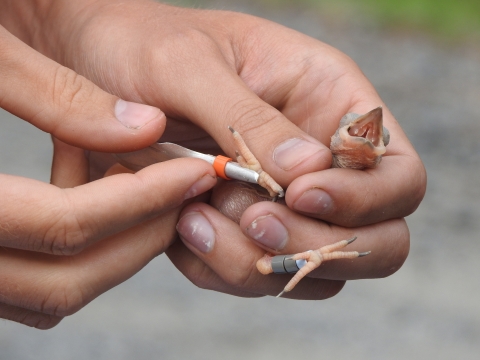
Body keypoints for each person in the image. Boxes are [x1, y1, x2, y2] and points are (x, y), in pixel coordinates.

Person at [0, 0, 426, 329]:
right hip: (215, 179)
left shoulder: (324, 174)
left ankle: (302, 256)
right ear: (337, 136)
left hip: (229, 197)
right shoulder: (303, 157)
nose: (369, 130)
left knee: (263, 256)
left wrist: (60, 16)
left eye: (376, 137)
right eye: (354, 126)